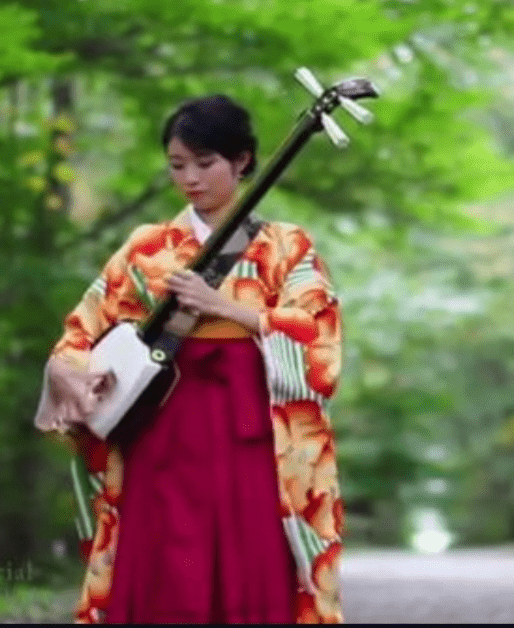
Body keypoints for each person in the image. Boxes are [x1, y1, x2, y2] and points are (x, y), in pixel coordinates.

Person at [32, 95, 343, 624]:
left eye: (206, 164)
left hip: (246, 427)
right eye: (178, 166)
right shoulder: (146, 247)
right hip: (162, 424)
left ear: (242, 160)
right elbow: (80, 331)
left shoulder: (287, 245)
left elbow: (319, 338)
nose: (190, 179)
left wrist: (231, 311)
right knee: (165, 559)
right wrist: (69, 373)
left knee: (253, 555)